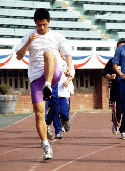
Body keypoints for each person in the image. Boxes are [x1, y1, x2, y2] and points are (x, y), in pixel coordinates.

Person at [15, 8, 72, 160]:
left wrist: (69, 69)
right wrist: (28, 42)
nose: (41, 28)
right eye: (39, 25)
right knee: (39, 113)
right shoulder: (29, 36)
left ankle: (48, 84)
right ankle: (45, 145)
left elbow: (68, 52)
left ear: (49, 23)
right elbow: (19, 57)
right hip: (36, 78)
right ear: (35, 23)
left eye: (44, 25)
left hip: (53, 75)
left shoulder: (56, 36)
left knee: (48, 53)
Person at [102, 40, 125, 139]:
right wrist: (110, 76)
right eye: (119, 48)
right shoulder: (112, 61)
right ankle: (115, 123)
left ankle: (123, 129)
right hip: (116, 90)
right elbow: (104, 73)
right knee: (117, 111)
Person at [46, 57, 75, 140]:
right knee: (54, 111)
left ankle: (65, 120)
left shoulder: (68, 62)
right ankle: (58, 131)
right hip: (54, 91)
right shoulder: (53, 60)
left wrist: (67, 81)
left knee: (64, 112)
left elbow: (72, 75)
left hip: (64, 91)